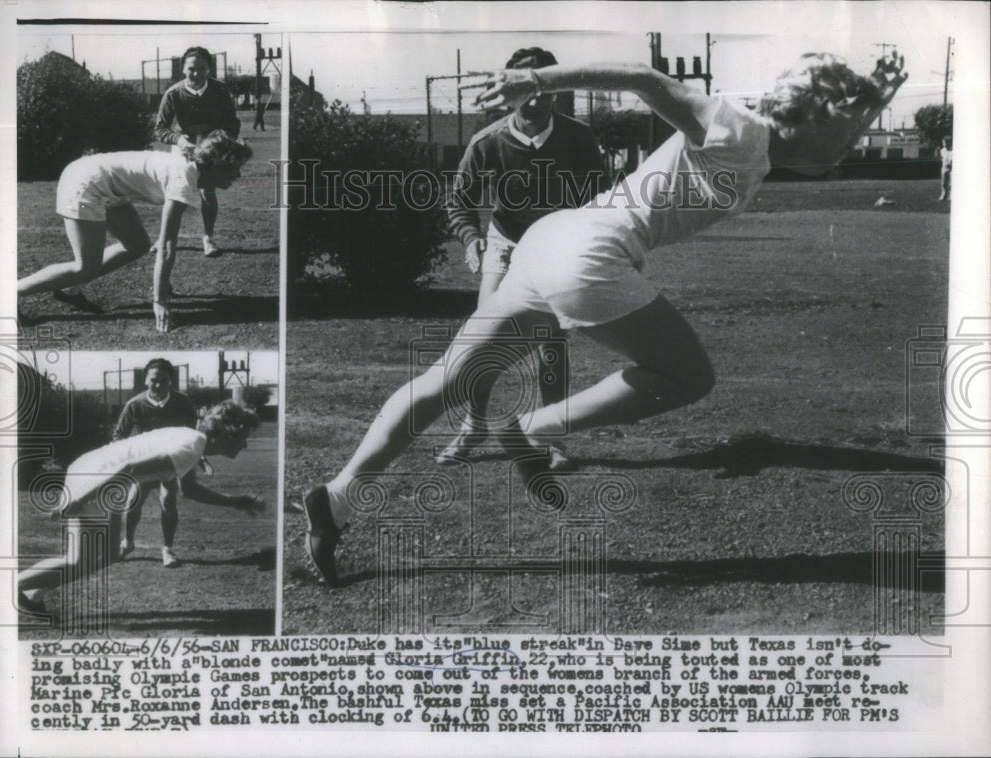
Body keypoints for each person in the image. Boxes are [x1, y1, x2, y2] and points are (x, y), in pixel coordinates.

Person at [302, 53, 908, 587]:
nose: (851, 146)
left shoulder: (758, 143)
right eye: (850, 132)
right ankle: (532, 427)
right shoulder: (738, 125)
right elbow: (642, 77)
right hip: (587, 255)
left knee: (448, 379)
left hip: (550, 241)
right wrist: (535, 78)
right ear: (817, 116)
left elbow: (820, 147)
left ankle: (338, 499)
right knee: (687, 376)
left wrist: (869, 95)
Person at [442, 47, 606, 468]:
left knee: (552, 343)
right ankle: (474, 424)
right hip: (506, 243)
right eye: (524, 91)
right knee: (480, 341)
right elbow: (458, 199)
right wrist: (471, 239)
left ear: (557, 90)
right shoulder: (487, 141)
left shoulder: (580, 138)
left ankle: (552, 437)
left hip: (556, 248)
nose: (534, 101)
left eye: (544, 89)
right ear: (509, 91)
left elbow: (602, 201)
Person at [17, 401, 263, 613]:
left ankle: (32, 594)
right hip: (95, 478)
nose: (246, 445)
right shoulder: (192, 445)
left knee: (111, 554)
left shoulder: (193, 442)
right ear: (229, 432)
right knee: (77, 560)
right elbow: (131, 469)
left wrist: (236, 502)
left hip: (102, 480)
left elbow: (190, 490)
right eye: (245, 437)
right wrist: (78, 500)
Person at [17, 131, 252, 332]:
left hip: (104, 183)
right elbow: (167, 245)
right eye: (235, 168)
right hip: (86, 184)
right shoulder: (184, 179)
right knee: (85, 268)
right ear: (218, 166)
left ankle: (68, 289)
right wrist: (160, 301)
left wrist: (164, 284)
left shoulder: (192, 167)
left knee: (137, 245)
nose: (238, 176)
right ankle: (10, 293)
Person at [155, 46, 242, 257]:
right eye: (191, 69)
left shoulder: (220, 91)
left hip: (210, 149)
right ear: (183, 69)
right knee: (176, 194)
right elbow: (160, 129)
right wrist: (178, 139)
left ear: (208, 70)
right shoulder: (173, 93)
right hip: (184, 148)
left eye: (201, 69)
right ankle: (163, 239)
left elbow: (233, 123)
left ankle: (208, 239)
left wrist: (217, 142)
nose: (196, 74)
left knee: (208, 193)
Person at [113, 357, 197, 567]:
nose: (158, 385)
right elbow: (118, 437)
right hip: (145, 462)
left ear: (171, 381)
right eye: (153, 380)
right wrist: (127, 458)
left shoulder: (184, 402)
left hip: (171, 461)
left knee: (168, 501)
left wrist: (196, 457)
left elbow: (192, 434)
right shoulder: (134, 404)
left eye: (164, 380)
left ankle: (167, 550)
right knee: (133, 501)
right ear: (145, 380)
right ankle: (128, 542)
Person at [938, 135, 952, 201]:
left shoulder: (952, 150)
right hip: (944, 168)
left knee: (951, 183)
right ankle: (943, 195)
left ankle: (951, 196)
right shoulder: (942, 151)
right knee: (943, 183)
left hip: (951, 168)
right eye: (943, 142)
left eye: (945, 142)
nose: (944, 144)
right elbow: (942, 158)